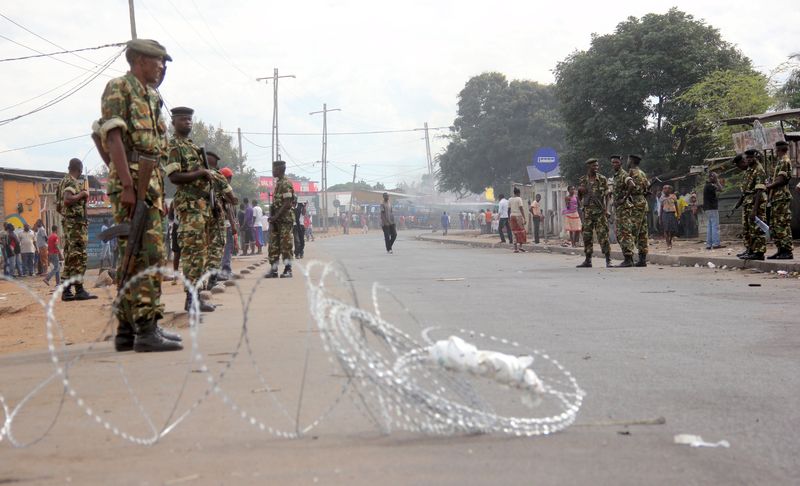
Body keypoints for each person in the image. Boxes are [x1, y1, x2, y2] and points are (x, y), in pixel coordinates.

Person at [97, 38, 181, 352]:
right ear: (140, 60)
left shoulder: (152, 96)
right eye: (159, 61)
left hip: (152, 179)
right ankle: (147, 329)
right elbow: (112, 136)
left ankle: (126, 329)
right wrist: (128, 186)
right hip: (132, 180)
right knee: (146, 254)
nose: (162, 68)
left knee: (133, 258)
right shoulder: (119, 87)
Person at [166, 106, 215, 313]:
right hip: (189, 209)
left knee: (200, 255)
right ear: (174, 122)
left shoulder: (192, 146)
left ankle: (197, 296)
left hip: (201, 208)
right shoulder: (175, 146)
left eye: (190, 119)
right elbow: (174, 177)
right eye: (183, 119)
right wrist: (200, 173)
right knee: (192, 255)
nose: (188, 122)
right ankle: (190, 298)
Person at [57, 158, 96, 299]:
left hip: (70, 224)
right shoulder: (71, 181)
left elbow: (58, 206)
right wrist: (83, 194)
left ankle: (66, 291)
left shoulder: (61, 182)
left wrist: (71, 217)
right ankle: (79, 291)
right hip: (75, 227)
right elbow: (67, 200)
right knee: (79, 256)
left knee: (70, 257)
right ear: (79, 169)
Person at [205, 151, 237, 285]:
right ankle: (213, 277)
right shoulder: (217, 177)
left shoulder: (196, 174)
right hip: (216, 218)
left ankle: (205, 279)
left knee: (204, 248)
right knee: (218, 246)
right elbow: (232, 200)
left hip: (198, 218)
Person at [576, 159, 612, 268]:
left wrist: (607, 209)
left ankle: (608, 260)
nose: (596, 168)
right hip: (587, 213)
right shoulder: (583, 180)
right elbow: (579, 197)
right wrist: (580, 193)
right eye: (594, 166)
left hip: (600, 212)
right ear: (589, 167)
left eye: (597, 166)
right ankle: (588, 260)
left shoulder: (602, 179)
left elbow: (607, 196)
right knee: (587, 236)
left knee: (603, 235)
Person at [733, 149, 767, 260]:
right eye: (747, 158)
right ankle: (750, 250)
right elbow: (745, 190)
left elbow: (759, 191)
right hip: (748, 203)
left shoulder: (759, 170)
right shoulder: (749, 170)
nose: (748, 160)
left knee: (757, 229)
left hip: (756, 203)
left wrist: (755, 209)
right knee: (748, 229)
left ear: (755, 157)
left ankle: (759, 252)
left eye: (750, 157)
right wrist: (739, 202)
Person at [265, 160, 295, 278]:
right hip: (277, 221)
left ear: (280, 170)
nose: (273, 171)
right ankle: (274, 269)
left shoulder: (286, 184)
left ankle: (288, 269)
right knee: (273, 245)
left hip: (285, 220)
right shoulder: (278, 184)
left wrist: (275, 216)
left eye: (274, 169)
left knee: (286, 245)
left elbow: (287, 203)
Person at [766, 141, 794, 259]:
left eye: (776, 150)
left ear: (780, 149)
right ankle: (781, 250)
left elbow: (781, 180)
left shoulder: (784, 161)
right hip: (776, 197)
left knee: (781, 224)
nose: (776, 152)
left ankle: (787, 251)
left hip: (781, 197)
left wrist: (768, 186)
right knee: (775, 224)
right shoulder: (781, 161)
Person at [626, 154, 650, 266]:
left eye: (628, 159)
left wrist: (624, 198)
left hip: (635, 203)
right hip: (643, 202)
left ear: (631, 161)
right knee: (642, 233)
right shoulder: (643, 173)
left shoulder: (631, 173)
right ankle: (642, 259)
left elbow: (628, 188)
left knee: (632, 230)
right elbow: (647, 187)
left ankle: (629, 258)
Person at [610, 155, 634, 267]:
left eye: (616, 162)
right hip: (618, 209)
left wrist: (624, 198)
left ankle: (629, 258)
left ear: (621, 163)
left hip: (624, 208)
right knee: (620, 233)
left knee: (624, 233)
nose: (614, 164)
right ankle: (627, 258)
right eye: (613, 162)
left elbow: (631, 185)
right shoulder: (615, 176)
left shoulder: (623, 174)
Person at [219, 167, 237, 277]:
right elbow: (229, 208)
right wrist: (233, 224)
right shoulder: (225, 190)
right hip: (225, 223)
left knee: (222, 247)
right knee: (227, 247)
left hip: (220, 223)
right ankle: (225, 270)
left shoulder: (216, 189)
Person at [703, 172, 724, 250]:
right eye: (715, 177)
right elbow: (721, 189)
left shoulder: (707, 185)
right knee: (715, 226)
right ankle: (715, 244)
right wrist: (717, 181)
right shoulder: (710, 185)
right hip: (712, 208)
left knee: (710, 226)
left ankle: (709, 244)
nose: (716, 178)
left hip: (707, 208)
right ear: (712, 177)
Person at [508, 187, 527, 252]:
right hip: (518, 217)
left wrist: (508, 218)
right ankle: (520, 246)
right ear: (518, 193)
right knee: (521, 231)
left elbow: (508, 210)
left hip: (512, 217)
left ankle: (515, 248)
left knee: (514, 232)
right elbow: (521, 208)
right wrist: (524, 218)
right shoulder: (519, 199)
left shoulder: (510, 199)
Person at [660, 185, 679, 250]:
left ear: (670, 190)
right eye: (664, 188)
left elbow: (676, 206)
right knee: (666, 229)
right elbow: (661, 208)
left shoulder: (673, 196)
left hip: (672, 214)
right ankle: (668, 243)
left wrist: (678, 215)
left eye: (667, 188)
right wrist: (660, 218)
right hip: (665, 214)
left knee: (673, 230)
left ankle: (670, 240)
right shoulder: (662, 198)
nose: (666, 190)